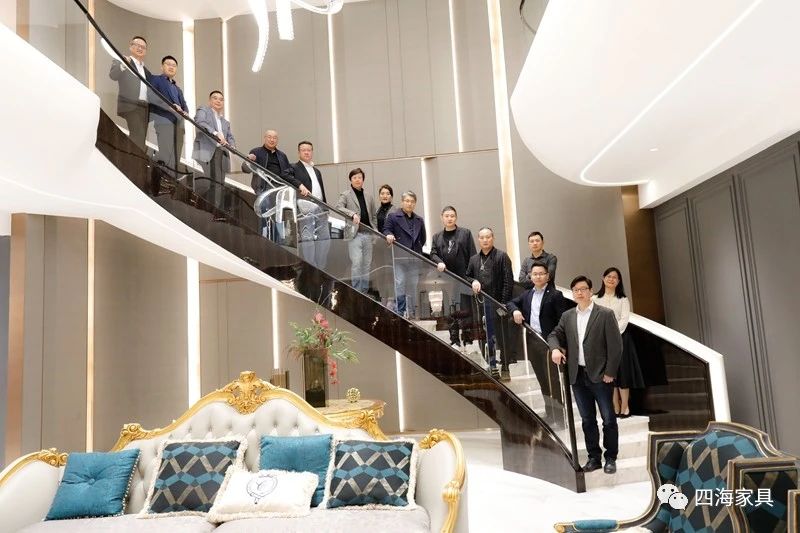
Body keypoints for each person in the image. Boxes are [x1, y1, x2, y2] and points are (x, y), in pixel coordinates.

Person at [548, 275, 622, 474]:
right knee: (587, 420)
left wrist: (610, 372)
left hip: (601, 375)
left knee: (608, 419)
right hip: (578, 376)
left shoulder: (605, 314)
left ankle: (611, 458)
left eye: (583, 289)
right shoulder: (567, 316)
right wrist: (555, 349)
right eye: (576, 290)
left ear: (591, 291)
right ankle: (594, 457)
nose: (579, 293)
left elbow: (616, 346)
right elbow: (554, 335)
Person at [507, 262, 574, 417]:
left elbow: (562, 322)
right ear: (530, 276)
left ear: (547, 276)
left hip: (550, 342)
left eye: (541, 274)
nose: (538, 276)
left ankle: (559, 415)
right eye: (535, 274)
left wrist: (561, 345)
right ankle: (550, 412)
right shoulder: (527, 294)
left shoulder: (555, 295)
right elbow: (510, 303)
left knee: (553, 380)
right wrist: (516, 311)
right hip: (532, 342)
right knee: (542, 379)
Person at [593, 267, 644, 418]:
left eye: (614, 277)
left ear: (618, 281)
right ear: (603, 278)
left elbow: (624, 319)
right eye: (608, 276)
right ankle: (615, 405)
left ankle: (625, 406)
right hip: (602, 340)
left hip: (621, 339)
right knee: (610, 374)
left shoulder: (623, 299)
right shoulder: (595, 299)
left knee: (623, 373)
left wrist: (613, 335)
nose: (611, 279)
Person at [466, 227, 513, 378]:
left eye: (488, 237)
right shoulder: (474, 259)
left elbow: (508, 281)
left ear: (493, 238)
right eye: (482, 238)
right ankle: (491, 365)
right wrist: (473, 281)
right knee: (484, 336)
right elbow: (467, 276)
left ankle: (505, 366)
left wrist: (503, 304)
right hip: (481, 306)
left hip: (499, 304)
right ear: (478, 240)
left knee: (502, 337)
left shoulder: (502, 256)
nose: (485, 240)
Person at [384, 191, 426, 318]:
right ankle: (400, 311)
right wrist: (389, 235)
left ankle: (412, 311)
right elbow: (386, 229)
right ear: (402, 202)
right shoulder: (393, 217)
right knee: (400, 283)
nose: (409, 204)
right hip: (399, 257)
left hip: (414, 258)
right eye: (407, 201)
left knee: (413, 284)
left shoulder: (419, 219)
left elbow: (423, 238)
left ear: (415, 203)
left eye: (412, 201)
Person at [288, 141, 329, 270]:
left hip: (320, 208)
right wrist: (300, 185)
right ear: (299, 152)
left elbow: (321, 189)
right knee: (307, 238)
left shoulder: (316, 171)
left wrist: (325, 207)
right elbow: (284, 175)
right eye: (303, 150)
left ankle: (320, 268)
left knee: (325, 238)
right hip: (305, 207)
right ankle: (310, 267)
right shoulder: (294, 167)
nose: (306, 152)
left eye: (309, 150)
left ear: (312, 152)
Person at [192, 90, 236, 212]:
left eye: (221, 99)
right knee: (213, 183)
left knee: (220, 184)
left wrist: (232, 146)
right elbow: (200, 122)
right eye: (215, 98)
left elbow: (230, 137)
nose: (218, 101)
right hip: (208, 151)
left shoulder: (225, 122)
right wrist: (216, 133)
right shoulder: (203, 110)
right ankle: (212, 210)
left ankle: (216, 210)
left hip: (222, 153)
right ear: (210, 101)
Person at [109, 35, 151, 152]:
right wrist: (123, 64)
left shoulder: (146, 71)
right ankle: (134, 159)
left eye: (143, 47)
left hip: (144, 107)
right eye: (137, 45)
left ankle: (137, 158)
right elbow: (113, 75)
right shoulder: (121, 60)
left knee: (141, 137)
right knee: (137, 133)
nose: (140, 48)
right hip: (130, 104)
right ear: (130, 47)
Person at [337, 168, 376, 293]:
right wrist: (352, 214)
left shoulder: (369, 196)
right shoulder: (345, 195)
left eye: (359, 177)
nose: (357, 180)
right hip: (355, 235)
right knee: (357, 263)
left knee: (367, 264)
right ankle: (356, 291)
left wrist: (375, 231)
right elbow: (338, 207)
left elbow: (373, 216)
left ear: (363, 179)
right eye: (354, 178)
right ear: (351, 180)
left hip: (368, 234)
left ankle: (364, 291)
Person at [149, 55, 189, 173]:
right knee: (166, 154)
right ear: (162, 67)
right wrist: (169, 107)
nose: (171, 67)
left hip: (179, 125)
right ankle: (163, 179)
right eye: (168, 64)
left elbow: (184, 104)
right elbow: (151, 97)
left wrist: (185, 112)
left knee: (176, 156)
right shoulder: (156, 79)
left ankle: (171, 179)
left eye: (174, 65)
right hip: (164, 121)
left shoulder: (178, 89)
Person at [430, 206, 476, 278]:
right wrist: (439, 262)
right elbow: (433, 254)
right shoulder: (436, 237)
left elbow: (473, 254)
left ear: (456, 218)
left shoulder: (466, 233)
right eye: (446, 216)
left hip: (464, 276)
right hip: (445, 275)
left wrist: (472, 276)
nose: (449, 218)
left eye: (452, 216)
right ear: (442, 218)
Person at [245, 130, 291, 195]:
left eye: (274, 138)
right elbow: (245, 170)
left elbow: (288, 174)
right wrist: (248, 160)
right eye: (269, 137)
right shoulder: (256, 152)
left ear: (277, 140)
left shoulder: (282, 155)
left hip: (280, 188)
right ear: (264, 138)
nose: (272, 140)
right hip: (263, 188)